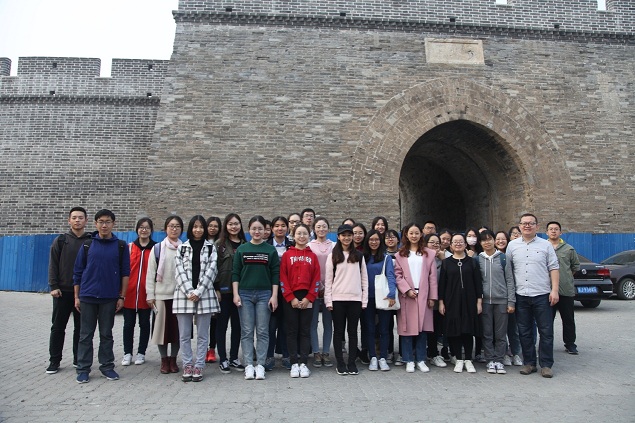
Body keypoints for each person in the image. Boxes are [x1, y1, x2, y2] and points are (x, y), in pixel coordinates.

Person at [73, 209, 130, 383]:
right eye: (101, 222)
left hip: (109, 297)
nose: (104, 225)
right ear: (95, 224)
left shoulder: (121, 246)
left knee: (106, 334)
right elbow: (77, 272)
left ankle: (107, 367)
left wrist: (122, 296)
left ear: (113, 224)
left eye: (108, 222)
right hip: (88, 296)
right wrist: (77, 296)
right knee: (85, 335)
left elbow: (125, 273)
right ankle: (83, 369)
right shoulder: (87, 245)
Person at [507, 213, 559, 378]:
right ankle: (529, 363)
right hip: (521, 295)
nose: (527, 226)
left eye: (531, 223)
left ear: (537, 226)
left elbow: (553, 268)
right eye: (524, 223)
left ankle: (546, 365)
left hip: (542, 295)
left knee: (546, 331)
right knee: (524, 331)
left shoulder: (546, 245)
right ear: (519, 226)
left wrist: (555, 290)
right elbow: (508, 271)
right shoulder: (512, 246)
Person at [233, 215, 280, 381]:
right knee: (246, 331)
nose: (257, 231)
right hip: (244, 294)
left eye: (260, 228)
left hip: (264, 294)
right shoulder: (242, 249)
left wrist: (274, 296)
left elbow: (275, 274)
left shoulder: (270, 250)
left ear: (265, 230)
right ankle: (248, 365)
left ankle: (260, 365)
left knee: (262, 331)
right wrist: (236, 294)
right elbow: (235, 273)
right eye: (254, 228)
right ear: (249, 230)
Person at [174, 215, 220, 382]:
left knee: (202, 335)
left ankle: (199, 365)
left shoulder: (211, 248)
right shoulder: (182, 248)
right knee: (184, 335)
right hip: (183, 296)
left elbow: (212, 271)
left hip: (204, 295)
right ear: (190, 228)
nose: (198, 230)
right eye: (195, 226)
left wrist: (199, 291)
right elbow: (178, 271)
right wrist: (189, 291)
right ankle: (187, 364)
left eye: (201, 227)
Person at [46, 206, 92, 374]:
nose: (77, 220)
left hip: (84, 292)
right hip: (63, 291)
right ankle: (54, 360)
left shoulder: (91, 241)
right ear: (69, 220)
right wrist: (54, 286)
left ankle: (78, 359)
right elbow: (53, 264)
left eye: (80, 218)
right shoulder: (61, 240)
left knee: (81, 328)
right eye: (74, 218)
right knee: (58, 327)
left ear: (86, 221)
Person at [325, 224, 368, 376]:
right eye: (344, 235)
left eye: (349, 235)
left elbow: (364, 280)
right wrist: (328, 301)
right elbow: (328, 280)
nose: (347, 238)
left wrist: (364, 300)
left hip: (355, 300)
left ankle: (351, 363)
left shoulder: (359, 256)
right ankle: (340, 363)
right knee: (338, 332)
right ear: (338, 237)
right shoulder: (333, 256)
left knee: (353, 332)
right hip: (337, 300)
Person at [394, 224, 437, 373]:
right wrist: (407, 290)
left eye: (416, 233)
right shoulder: (400, 254)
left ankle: (421, 359)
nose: (414, 236)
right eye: (411, 233)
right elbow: (398, 275)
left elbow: (432, 277)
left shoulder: (429, 254)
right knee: (407, 329)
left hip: (424, 295)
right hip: (407, 296)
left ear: (421, 234)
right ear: (406, 235)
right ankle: (408, 359)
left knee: (422, 329)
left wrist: (432, 296)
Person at [280, 224, 321, 378]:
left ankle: (303, 362)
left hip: (307, 297)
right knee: (291, 331)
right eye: (298, 233)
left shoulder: (313, 256)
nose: (302, 236)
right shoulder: (287, 255)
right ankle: (293, 363)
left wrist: (309, 298)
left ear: (309, 236)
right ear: (293, 235)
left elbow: (316, 278)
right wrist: (290, 298)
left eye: (305, 233)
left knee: (305, 330)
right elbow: (282, 277)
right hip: (290, 297)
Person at [438, 232, 482, 374]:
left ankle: (468, 359)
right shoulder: (446, 263)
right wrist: (441, 302)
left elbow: (478, 283)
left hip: (470, 300)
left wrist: (479, 301)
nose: (458, 244)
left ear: (465, 244)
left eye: (460, 241)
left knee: (468, 330)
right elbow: (442, 285)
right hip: (452, 301)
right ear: (451, 245)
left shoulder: (472, 262)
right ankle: (458, 359)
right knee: (455, 330)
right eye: (455, 242)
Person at [146, 215, 183, 375]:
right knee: (161, 331)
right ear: (166, 228)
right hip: (161, 296)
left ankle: (173, 359)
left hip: (180, 296)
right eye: (171, 226)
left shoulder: (185, 248)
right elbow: (150, 273)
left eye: (177, 226)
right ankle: (164, 359)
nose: (174, 229)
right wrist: (150, 294)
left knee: (177, 331)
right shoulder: (157, 248)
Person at [477, 229, 515, 375]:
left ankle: (499, 360)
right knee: (487, 333)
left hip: (502, 301)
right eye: (484, 240)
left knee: (500, 334)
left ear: (494, 240)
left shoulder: (503, 258)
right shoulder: (477, 259)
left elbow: (510, 281)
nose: (487, 242)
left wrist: (511, 302)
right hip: (485, 302)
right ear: (480, 243)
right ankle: (490, 360)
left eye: (489, 239)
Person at [121, 218, 157, 367]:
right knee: (128, 324)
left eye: (147, 227)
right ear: (137, 229)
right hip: (129, 293)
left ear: (151, 230)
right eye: (141, 227)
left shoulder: (156, 248)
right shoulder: (129, 248)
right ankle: (127, 353)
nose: (144, 230)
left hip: (146, 294)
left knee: (144, 324)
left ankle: (141, 353)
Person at [213, 213, 246, 373]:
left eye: (236, 223)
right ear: (226, 226)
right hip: (224, 291)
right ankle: (223, 359)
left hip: (242, 292)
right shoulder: (219, 245)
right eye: (231, 224)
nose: (234, 227)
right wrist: (216, 288)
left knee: (238, 326)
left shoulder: (246, 244)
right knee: (222, 325)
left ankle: (234, 357)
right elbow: (213, 268)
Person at [363, 229, 396, 372]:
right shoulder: (362, 257)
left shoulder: (386, 258)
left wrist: (392, 293)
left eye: (376, 239)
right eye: (371, 239)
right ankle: (372, 357)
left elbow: (391, 276)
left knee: (384, 329)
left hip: (383, 297)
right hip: (368, 297)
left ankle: (383, 357)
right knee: (369, 328)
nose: (374, 242)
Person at [546, 221, 580, 355]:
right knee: (547, 321)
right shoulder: (542, 247)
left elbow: (575, 267)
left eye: (556, 229)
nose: (553, 231)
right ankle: (547, 344)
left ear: (560, 232)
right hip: (547, 290)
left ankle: (570, 344)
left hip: (566, 291)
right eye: (551, 229)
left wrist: (565, 277)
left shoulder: (569, 249)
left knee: (568, 319)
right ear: (547, 232)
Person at [265, 216, 293, 371]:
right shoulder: (265, 245)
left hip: (288, 290)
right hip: (270, 290)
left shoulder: (292, 245)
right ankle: (269, 356)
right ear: (272, 228)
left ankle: (286, 356)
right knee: (270, 326)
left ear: (287, 228)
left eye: (283, 225)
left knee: (286, 325)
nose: (280, 228)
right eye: (276, 225)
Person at [308, 216, 335, 368]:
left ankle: (326, 352)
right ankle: (316, 352)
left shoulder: (334, 245)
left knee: (328, 323)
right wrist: (317, 286)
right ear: (314, 229)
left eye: (324, 226)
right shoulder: (309, 246)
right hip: (313, 289)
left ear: (328, 228)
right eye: (318, 226)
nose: (321, 229)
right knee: (313, 323)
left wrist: (327, 287)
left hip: (330, 290)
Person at [494, 230, 523, 366]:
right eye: (497, 239)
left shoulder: (512, 255)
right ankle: (504, 353)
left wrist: (511, 298)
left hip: (512, 295)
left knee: (513, 328)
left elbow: (511, 280)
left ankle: (516, 353)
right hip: (497, 297)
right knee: (500, 329)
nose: (500, 241)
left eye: (503, 239)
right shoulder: (491, 256)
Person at [424, 233, 447, 369]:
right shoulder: (423, 259)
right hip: (428, 299)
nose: (435, 245)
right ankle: (432, 353)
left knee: (439, 327)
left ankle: (441, 352)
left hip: (443, 300)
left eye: (437, 242)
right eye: (432, 242)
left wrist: (444, 260)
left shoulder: (444, 259)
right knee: (430, 328)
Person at [205, 216, 222, 363]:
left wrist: (217, 288)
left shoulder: (221, 244)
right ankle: (203, 349)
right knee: (203, 320)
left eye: (216, 226)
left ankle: (212, 348)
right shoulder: (201, 242)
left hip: (216, 286)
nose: (212, 228)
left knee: (214, 320)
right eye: (210, 225)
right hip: (202, 287)